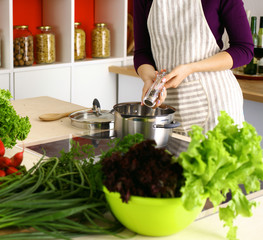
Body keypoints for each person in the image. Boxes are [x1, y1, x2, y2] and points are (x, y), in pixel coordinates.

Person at [133, 0, 254, 155]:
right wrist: (149, 78)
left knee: (217, 174)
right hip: (169, 106)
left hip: (216, 104)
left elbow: (244, 49)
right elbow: (142, 52)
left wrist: (191, 68)